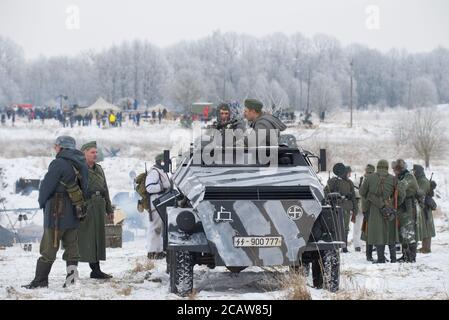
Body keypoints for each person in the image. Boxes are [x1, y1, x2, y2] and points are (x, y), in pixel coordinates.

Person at [23, 136, 88, 289]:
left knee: (49, 247)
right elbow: (85, 189)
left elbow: (47, 186)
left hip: (56, 212)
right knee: (72, 247)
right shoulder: (82, 164)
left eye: (56, 146)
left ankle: (40, 281)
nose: (55, 148)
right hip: (74, 211)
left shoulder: (58, 163)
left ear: (62, 147)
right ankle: (71, 280)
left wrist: (42, 202)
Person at [78, 141, 114, 279]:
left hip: (99, 206)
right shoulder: (79, 169)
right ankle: (72, 270)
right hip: (86, 206)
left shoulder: (99, 168)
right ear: (84, 153)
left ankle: (96, 270)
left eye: (96, 152)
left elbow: (105, 189)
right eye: (92, 152)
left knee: (98, 239)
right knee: (84, 239)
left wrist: (109, 209)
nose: (95, 154)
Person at [360, 160, 404, 263]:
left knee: (378, 233)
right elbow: (402, 195)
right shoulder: (394, 179)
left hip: (374, 209)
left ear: (378, 167)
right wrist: (394, 205)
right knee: (391, 233)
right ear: (387, 167)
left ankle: (380, 259)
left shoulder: (369, 178)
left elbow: (362, 192)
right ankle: (393, 258)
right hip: (390, 209)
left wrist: (367, 205)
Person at [325, 163, 357, 253]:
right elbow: (326, 193)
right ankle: (335, 246)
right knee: (335, 227)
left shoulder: (349, 182)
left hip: (346, 208)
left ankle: (344, 247)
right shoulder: (332, 181)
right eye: (348, 173)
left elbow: (353, 196)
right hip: (336, 207)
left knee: (345, 228)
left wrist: (355, 209)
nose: (349, 175)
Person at [145, 154, 171, 259]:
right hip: (156, 202)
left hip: (161, 201)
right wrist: (162, 186)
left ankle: (159, 251)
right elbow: (149, 188)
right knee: (155, 227)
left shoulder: (160, 171)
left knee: (159, 228)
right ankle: (152, 251)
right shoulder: (154, 172)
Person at [392, 159, 419, 263]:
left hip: (408, 206)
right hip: (404, 206)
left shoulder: (408, 177)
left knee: (409, 231)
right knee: (403, 232)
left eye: (395, 169)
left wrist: (397, 203)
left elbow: (402, 189)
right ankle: (405, 255)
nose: (394, 171)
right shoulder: (401, 176)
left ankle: (411, 257)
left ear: (400, 169)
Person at [413, 164, 436, 253]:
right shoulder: (421, 179)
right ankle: (425, 247)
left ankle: (426, 248)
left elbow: (421, 193)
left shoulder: (422, 180)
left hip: (425, 207)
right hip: (424, 206)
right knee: (426, 227)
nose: (413, 172)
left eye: (414, 171)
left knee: (426, 228)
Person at [359, 164, 375, 261]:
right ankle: (369, 255)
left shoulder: (366, 180)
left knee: (370, 232)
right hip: (369, 209)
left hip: (370, 209)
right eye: (368, 172)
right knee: (369, 233)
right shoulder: (367, 181)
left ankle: (370, 254)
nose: (368, 174)